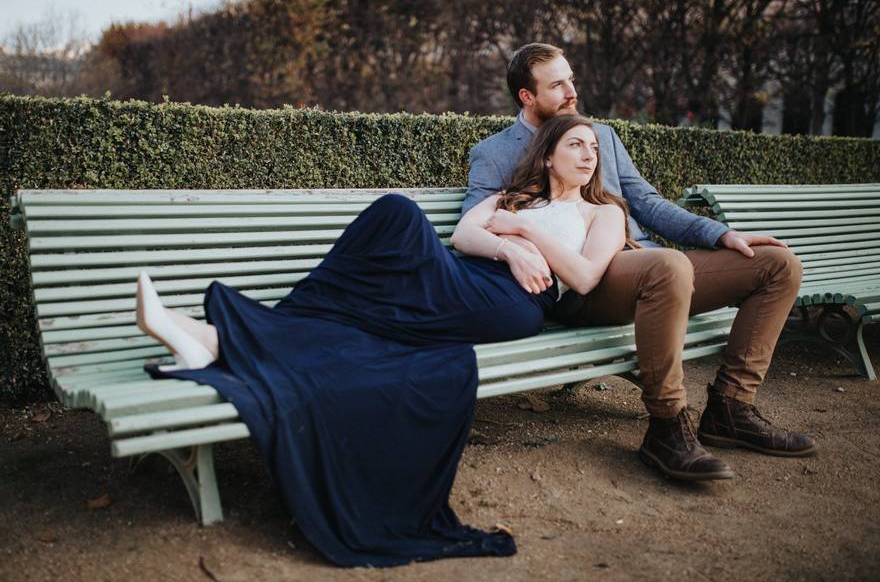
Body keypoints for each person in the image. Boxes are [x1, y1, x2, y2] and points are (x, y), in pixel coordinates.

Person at [135, 115, 626, 567]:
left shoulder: (601, 213)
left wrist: (523, 234)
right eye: (575, 144)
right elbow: (464, 235)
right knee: (389, 229)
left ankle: (234, 336)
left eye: (593, 149)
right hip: (463, 275)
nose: (588, 155)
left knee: (398, 217)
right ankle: (217, 341)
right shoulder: (513, 195)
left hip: (511, 301)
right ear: (546, 155)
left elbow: (583, 278)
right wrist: (505, 246)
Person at [463, 42, 815, 483]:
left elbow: (646, 202)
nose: (572, 92)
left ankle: (731, 408)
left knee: (777, 264)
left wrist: (721, 233)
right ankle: (667, 426)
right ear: (527, 97)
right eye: (557, 85)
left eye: (572, 79)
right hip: (578, 282)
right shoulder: (495, 152)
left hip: (643, 261)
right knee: (666, 267)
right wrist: (514, 250)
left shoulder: (602, 137)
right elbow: (476, 225)